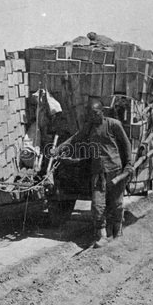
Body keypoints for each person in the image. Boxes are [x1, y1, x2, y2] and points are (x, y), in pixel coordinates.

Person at [54, 101, 133, 247]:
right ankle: (101, 236)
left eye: (96, 113)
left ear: (102, 112)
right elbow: (76, 138)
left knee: (116, 204)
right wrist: (59, 148)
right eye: (91, 114)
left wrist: (128, 163)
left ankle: (117, 231)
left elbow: (126, 143)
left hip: (115, 170)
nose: (93, 117)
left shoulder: (113, 124)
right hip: (97, 172)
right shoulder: (89, 126)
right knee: (97, 205)